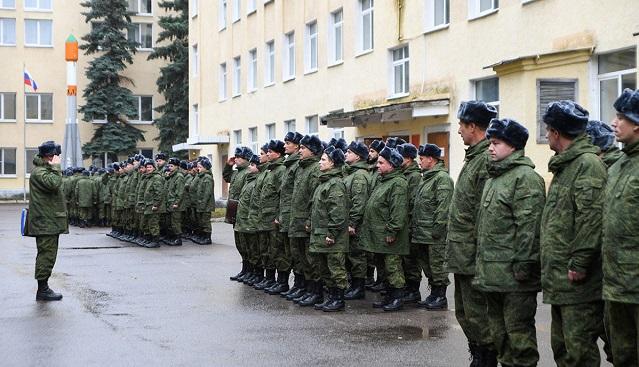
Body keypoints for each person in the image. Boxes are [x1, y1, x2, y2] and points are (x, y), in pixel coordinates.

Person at [473, 118, 546, 367]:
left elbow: (530, 228)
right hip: (492, 275)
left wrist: (524, 267)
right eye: (490, 143)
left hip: (515, 278)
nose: (490, 148)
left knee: (519, 337)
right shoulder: (495, 177)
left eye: (496, 143)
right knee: (500, 336)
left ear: (513, 146)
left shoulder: (525, 178)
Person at [540, 100, 607, 367]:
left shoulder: (586, 164)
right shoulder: (566, 165)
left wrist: (579, 261)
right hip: (560, 276)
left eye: (548, 130)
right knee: (563, 346)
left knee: (579, 348)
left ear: (556, 132)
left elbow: (591, 218)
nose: (546, 135)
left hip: (577, 279)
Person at [447, 100, 498, 365]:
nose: (458, 131)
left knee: (478, 314)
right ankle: (478, 354)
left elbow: (484, 211)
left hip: (473, 253)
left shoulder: (484, 160)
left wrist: (480, 253)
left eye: (461, 126)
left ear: (473, 126)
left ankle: (486, 359)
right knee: (466, 313)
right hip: (462, 251)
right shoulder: (474, 158)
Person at [603, 88, 639, 366]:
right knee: (621, 353)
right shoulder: (619, 166)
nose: (614, 123)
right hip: (616, 282)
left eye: (620, 117)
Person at [359, 146, 408, 312]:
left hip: (389, 236)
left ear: (392, 165)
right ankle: (388, 295)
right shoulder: (384, 180)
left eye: (381, 162)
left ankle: (397, 298)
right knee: (384, 268)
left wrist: (392, 231)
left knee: (393, 267)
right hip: (378, 235)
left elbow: (398, 211)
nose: (377, 165)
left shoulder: (398, 183)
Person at [308, 146, 350, 312]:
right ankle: (332, 297)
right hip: (321, 234)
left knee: (336, 269)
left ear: (332, 163)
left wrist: (332, 233)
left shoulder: (335, 184)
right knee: (325, 269)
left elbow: (337, 213)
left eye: (324, 160)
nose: (320, 162)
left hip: (333, 237)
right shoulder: (324, 182)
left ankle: (338, 299)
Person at [412, 143, 453, 310]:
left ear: (431, 159)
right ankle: (433, 294)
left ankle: (440, 296)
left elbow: (443, 207)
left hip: (434, 234)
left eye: (421, 159)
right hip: (423, 233)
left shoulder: (442, 179)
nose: (419, 162)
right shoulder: (427, 178)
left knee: (437, 266)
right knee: (428, 266)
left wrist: (437, 231)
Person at [29, 141, 67, 301]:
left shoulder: (45, 170)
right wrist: (56, 167)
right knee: (46, 255)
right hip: (45, 222)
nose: (56, 159)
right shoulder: (40, 172)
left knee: (48, 254)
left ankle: (43, 287)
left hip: (49, 221)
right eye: (54, 156)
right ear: (48, 156)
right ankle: (42, 289)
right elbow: (53, 184)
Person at [289, 135, 323, 306]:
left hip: (307, 222)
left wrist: (310, 220)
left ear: (313, 150)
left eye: (303, 148)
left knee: (312, 259)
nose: (300, 151)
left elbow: (314, 199)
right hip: (297, 220)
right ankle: (306, 288)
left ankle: (315, 291)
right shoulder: (302, 168)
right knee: (300, 257)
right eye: (300, 147)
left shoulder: (315, 169)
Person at [277, 132, 305, 298]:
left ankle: (301, 285)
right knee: (291, 252)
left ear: (296, 145)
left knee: (297, 252)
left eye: (288, 143)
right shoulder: (290, 164)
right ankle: (298, 284)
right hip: (287, 214)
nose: (284, 146)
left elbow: (297, 194)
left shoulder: (296, 165)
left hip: (294, 215)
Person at [342, 141, 372, 300]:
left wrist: (352, 223)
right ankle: (354, 285)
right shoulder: (353, 173)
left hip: (357, 226)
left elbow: (359, 202)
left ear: (358, 156)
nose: (346, 154)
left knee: (357, 256)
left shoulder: (359, 176)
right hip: (351, 223)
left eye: (349, 152)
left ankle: (358, 288)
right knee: (352, 256)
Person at [397, 143, 422, 304]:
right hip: (405, 224)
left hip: (411, 224)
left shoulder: (413, 176)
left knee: (412, 260)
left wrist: (410, 224)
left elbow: (411, 203)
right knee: (405, 259)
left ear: (407, 159)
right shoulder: (405, 174)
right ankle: (408, 288)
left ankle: (414, 290)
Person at [225, 146, 253, 279]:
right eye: (235, 157)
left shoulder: (248, 172)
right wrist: (228, 166)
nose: (236, 159)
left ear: (247, 159)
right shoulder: (236, 172)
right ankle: (245, 269)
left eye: (239, 157)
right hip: (234, 210)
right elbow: (227, 177)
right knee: (239, 243)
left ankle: (250, 270)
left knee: (246, 243)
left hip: (243, 212)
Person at [193, 158, 215, 245]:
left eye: (200, 167)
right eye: (198, 167)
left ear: (205, 168)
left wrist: (203, 204)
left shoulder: (207, 178)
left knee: (205, 222)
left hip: (206, 204)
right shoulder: (201, 177)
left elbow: (207, 193)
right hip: (201, 203)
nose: (198, 169)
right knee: (201, 221)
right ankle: (203, 236)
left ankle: (207, 238)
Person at [165, 157, 186, 246]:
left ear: (177, 167)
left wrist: (176, 203)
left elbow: (180, 192)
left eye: (172, 166)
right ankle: (173, 237)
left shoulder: (179, 176)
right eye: (169, 165)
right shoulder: (171, 176)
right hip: (170, 202)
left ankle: (178, 239)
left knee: (175, 222)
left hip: (176, 204)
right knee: (170, 222)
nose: (170, 167)